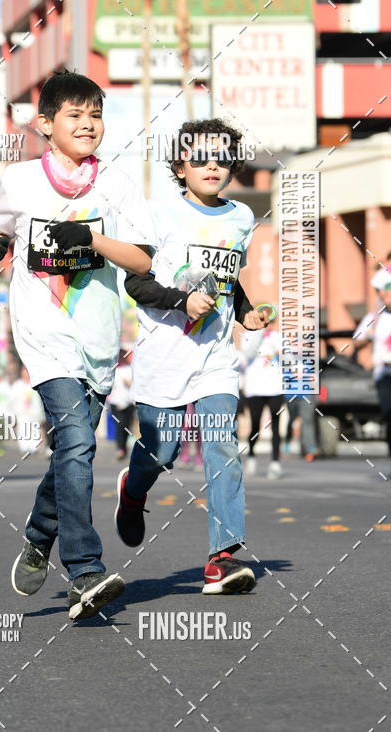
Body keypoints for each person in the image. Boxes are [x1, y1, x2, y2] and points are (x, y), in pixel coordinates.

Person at [0, 70, 155, 620]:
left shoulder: (119, 185)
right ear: (45, 124)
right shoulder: (22, 179)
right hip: (41, 330)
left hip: (99, 337)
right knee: (78, 441)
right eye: (75, 116)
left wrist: (94, 239)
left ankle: (38, 534)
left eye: (96, 115)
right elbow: (0, 226)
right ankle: (86, 571)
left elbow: (144, 260)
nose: (88, 125)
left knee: (70, 450)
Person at [115, 118, 270, 595]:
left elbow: (229, 283)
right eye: (199, 157)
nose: (211, 165)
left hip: (215, 359)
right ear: (180, 165)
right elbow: (135, 283)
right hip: (164, 356)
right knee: (162, 452)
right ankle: (134, 487)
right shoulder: (156, 213)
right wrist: (181, 302)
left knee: (222, 443)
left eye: (221, 158)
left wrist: (245, 313)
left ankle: (221, 558)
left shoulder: (242, 218)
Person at [353, 280, 391, 478]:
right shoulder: (375, 317)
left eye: (385, 293)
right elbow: (357, 340)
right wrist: (369, 334)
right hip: (384, 374)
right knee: (389, 416)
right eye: (380, 293)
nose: (381, 296)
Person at [241, 322, 286, 478]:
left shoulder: (278, 337)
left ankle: (275, 463)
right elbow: (248, 353)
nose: (269, 324)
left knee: (276, 425)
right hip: (255, 388)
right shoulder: (249, 336)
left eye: (271, 321)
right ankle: (252, 456)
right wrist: (259, 333)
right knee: (254, 425)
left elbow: (288, 356)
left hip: (275, 388)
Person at [10, 367, 45, 455]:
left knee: (34, 429)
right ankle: (24, 447)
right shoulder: (17, 385)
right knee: (23, 428)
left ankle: (34, 447)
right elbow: (12, 399)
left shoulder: (35, 383)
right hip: (22, 412)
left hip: (34, 412)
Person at [107, 351, 135, 460]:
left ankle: (124, 447)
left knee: (127, 426)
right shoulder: (112, 369)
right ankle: (120, 449)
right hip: (115, 402)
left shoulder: (129, 369)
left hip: (128, 402)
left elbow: (133, 384)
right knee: (119, 425)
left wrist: (129, 383)